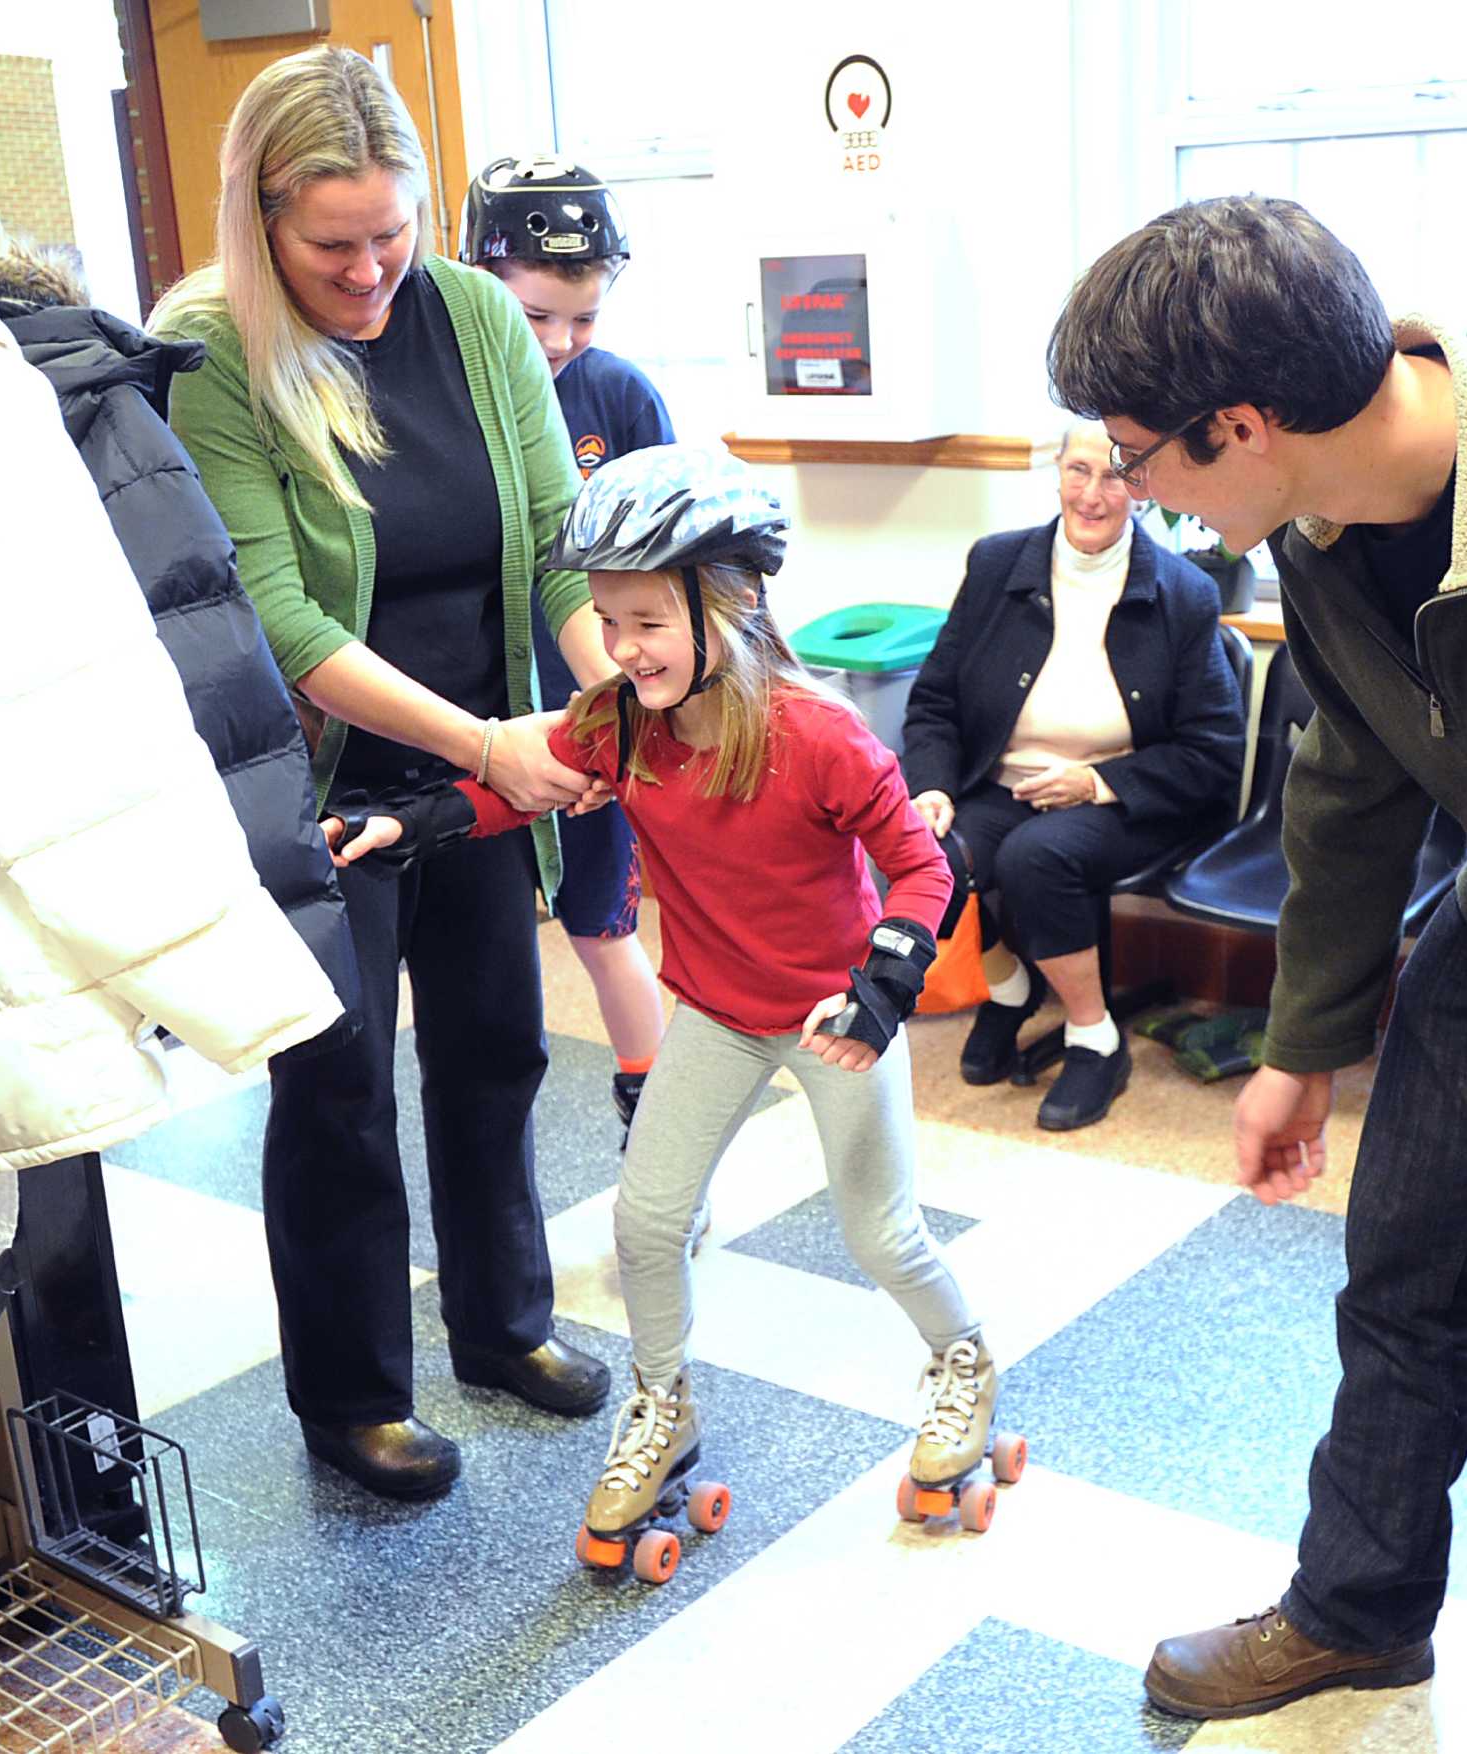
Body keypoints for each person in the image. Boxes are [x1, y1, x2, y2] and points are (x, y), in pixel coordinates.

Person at [1048, 194, 1467, 1753]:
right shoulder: (1315, 520)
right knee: (1399, 1267)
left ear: (1241, 425)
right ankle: (1356, 1612)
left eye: (1139, 450)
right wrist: (1299, 1043)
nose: (1131, 484)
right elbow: (1349, 777)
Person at [328, 446, 1011, 1560]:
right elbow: (526, 778)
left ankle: (965, 1363)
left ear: (729, 603)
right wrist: (415, 823)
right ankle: (663, 1404)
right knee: (644, 1223)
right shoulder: (625, 719)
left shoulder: (818, 733)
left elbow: (929, 870)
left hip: (835, 1019)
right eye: (605, 617)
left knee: (878, 1231)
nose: (619, 646)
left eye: (645, 620)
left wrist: (882, 989)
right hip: (711, 1011)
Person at [150, 45, 615, 1501]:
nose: (368, 274)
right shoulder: (210, 350)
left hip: (484, 778)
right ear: (260, 215)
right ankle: (351, 1397)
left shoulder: (476, 314)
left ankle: (503, 1323)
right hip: (329, 787)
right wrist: (488, 742)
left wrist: (612, 686)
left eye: (391, 235)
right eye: (331, 244)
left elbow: (555, 539)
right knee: (338, 1085)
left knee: (495, 1051)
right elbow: (278, 613)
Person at [900, 423, 1244, 1130]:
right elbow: (935, 700)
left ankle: (1095, 1035)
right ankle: (1010, 986)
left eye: (1116, 475)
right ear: (1054, 472)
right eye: (1078, 471)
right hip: (1001, 784)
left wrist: (1095, 784)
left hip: (1126, 799)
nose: (1093, 494)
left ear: (1144, 488)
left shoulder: (1183, 594)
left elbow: (1213, 751)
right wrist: (932, 785)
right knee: (926, 854)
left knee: (1038, 856)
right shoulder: (997, 565)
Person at [461, 154, 673, 1143]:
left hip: (597, 707)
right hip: (480, 716)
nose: (558, 341)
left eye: (581, 319)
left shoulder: (619, 397)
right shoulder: (448, 387)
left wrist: (631, 716)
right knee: (483, 940)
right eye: (535, 315)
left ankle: (654, 1107)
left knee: (601, 927)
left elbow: (673, 569)